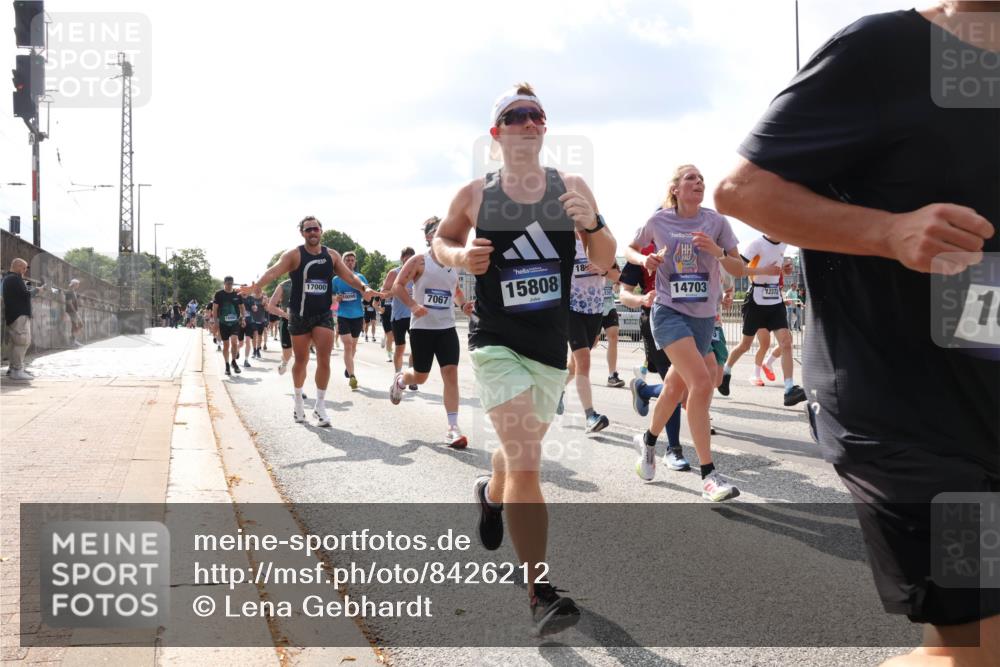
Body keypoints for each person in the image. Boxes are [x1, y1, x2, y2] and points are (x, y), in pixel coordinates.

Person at [714, 4, 999, 664]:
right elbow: (744, 191)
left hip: (988, 396)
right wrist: (889, 232)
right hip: (905, 413)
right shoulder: (887, 48)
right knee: (977, 649)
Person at [433, 82, 616, 635]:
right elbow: (441, 242)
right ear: (497, 133)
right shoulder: (474, 194)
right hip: (495, 340)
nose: (530, 121)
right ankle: (540, 593)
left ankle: (490, 496)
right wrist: (462, 256)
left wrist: (592, 225)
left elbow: (606, 260)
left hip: (547, 346)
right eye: (516, 115)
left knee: (516, 459)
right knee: (528, 460)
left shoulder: (571, 186)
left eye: (537, 114)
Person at [628, 164, 744, 501]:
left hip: (704, 317)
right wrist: (644, 261)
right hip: (668, 313)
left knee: (673, 387)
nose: (699, 182)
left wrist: (718, 252)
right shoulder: (659, 220)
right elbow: (630, 248)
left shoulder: (716, 222)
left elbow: (739, 267)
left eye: (701, 179)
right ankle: (709, 475)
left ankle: (648, 442)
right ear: (676, 188)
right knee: (703, 381)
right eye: (690, 178)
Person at [244, 216, 377, 426]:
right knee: (301, 360)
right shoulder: (294, 255)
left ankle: (320, 406)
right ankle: (298, 402)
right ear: (302, 233)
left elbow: (349, 277)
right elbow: (274, 271)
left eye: (315, 229)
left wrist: (364, 288)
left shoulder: (331, 256)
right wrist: (256, 286)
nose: (312, 232)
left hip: (323, 314)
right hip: (299, 314)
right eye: (308, 230)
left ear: (321, 231)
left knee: (324, 358)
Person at [389, 217, 473, 448]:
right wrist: (413, 306)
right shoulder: (419, 261)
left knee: (451, 374)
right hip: (422, 329)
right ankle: (401, 379)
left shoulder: (454, 264)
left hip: (446, 327)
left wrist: (463, 304)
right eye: (438, 231)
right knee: (421, 376)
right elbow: (397, 285)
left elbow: (454, 289)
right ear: (428, 237)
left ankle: (452, 429)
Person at [719, 238, 806, 405]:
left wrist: (785, 271)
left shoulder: (784, 243)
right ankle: (726, 371)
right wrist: (763, 270)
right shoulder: (756, 244)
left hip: (775, 300)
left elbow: (777, 270)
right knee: (745, 345)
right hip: (756, 300)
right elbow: (738, 270)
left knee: (786, 342)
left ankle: (789, 389)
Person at [562, 233, 611, 433]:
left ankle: (554, 392)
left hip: (595, 310)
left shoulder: (600, 242)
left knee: (575, 366)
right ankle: (590, 415)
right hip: (572, 308)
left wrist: (604, 269)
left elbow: (617, 274)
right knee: (583, 362)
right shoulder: (562, 241)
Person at [332, 251, 370, 389]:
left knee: (353, 346)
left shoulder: (360, 278)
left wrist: (362, 291)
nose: (349, 262)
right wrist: (336, 299)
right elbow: (331, 299)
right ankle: (352, 376)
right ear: (342, 262)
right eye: (347, 260)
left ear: (355, 262)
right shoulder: (336, 280)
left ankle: (348, 367)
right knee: (347, 345)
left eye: (352, 260)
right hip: (343, 316)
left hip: (357, 316)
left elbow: (367, 298)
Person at [384, 247, 418, 387]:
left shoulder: (418, 273)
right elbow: (384, 292)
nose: (408, 259)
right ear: (402, 258)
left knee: (417, 348)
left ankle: (411, 378)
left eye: (411, 257)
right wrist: (398, 290)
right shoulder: (394, 273)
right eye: (405, 257)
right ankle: (398, 375)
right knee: (400, 348)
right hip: (398, 316)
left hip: (414, 316)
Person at [2, 258, 36, 381]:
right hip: (19, 315)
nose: (25, 271)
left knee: (15, 343)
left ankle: (14, 368)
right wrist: (37, 290)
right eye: (23, 268)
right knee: (23, 341)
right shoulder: (14, 279)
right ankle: (17, 369)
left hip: (14, 315)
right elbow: (25, 295)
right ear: (17, 266)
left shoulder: (8, 278)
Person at [212, 276, 246, 377]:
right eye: (227, 283)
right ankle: (227, 365)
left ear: (233, 283)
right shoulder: (219, 294)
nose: (229, 285)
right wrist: (216, 322)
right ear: (224, 283)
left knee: (234, 342)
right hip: (223, 323)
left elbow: (242, 307)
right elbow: (215, 309)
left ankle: (234, 362)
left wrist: (243, 318)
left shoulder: (237, 294)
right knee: (226, 345)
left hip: (235, 322)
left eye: (231, 283)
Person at [600, 265, 625, 387]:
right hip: (593, 307)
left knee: (614, 337)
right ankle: (576, 368)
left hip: (609, 305)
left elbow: (619, 278)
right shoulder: (590, 258)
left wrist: (617, 281)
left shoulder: (612, 262)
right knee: (591, 343)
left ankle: (612, 375)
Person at [267, 278, 294, 375]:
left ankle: (298, 388)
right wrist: (286, 315)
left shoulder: (308, 282)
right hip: (287, 321)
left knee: (301, 355)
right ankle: (284, 362)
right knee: (288, 352)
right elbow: (271, 306)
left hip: (303, 322)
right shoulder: (284, 285)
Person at [65, 278, 84, 346]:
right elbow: (69, 303)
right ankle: (73, 340)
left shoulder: (73, 292)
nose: (78, 286)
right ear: (74, 284)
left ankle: (73, 339)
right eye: (77, 284)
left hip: (74, 311)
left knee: (77, 325)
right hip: (72, 311)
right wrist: (75, 311)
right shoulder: (69, 292)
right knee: (78, 325)